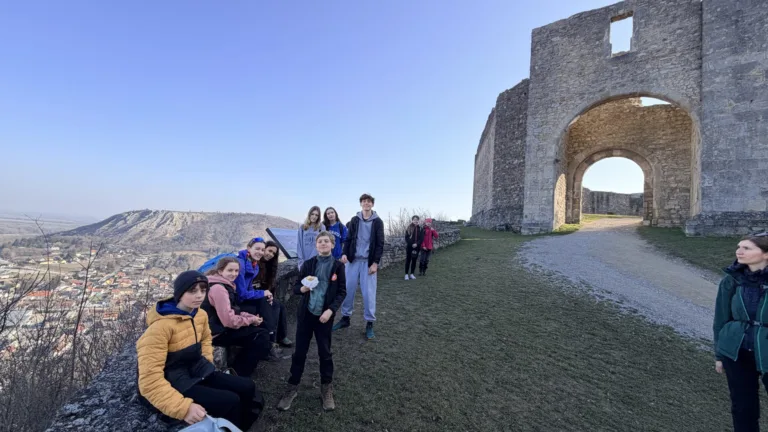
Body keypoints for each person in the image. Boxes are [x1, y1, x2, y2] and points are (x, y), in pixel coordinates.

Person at [136, 270, 262, 430]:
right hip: (173, 380)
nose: (199, 295)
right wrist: (183, 408)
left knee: (247, 386)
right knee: (230, 401)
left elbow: (205, 339)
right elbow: (149, 382)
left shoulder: (199, 314)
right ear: (180, 293)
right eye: (192, 290)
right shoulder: (159, 329)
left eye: (203, 290)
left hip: (196, 369)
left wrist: (207, 361)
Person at [277, 232, 346, 412]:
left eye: (326, 241)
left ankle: (326, 388)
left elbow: (342, 292)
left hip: (325, 317)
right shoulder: (308, 264)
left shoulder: (338, 266)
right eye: (320, 241)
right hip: (306, 315)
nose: (323, 244)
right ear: (316, 245)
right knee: (299, 352)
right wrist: (303, 288)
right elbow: (296, 289)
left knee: (325, 352)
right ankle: (292, 387)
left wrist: (330, 311)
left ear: (332, 245)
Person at [714, 233, 768, 432]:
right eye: (739, 246)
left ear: (765, 254)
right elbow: (721, 318)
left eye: (747, 248)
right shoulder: (732, 280)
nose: (739, 251)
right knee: (743, 408)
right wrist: (719, 355)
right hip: (737, 351)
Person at [201, 257, 271, 377]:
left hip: (218, 326)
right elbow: (229, 321)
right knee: (260, 336)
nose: (234, 274)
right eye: (230, 270)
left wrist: (251, 317)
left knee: (261, 329)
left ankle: (256, 357)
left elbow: (232, 311)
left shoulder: (221, 284)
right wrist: (251, 320)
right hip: (215, 333)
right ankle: (237, 374)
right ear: (220, 271)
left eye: (236, 271)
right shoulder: (219, 289)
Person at [333, 193, 384, 340]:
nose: (366, 204)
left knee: (368, 294)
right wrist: (344, 253)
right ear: (361, 204)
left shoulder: (378, 222)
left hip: (368, 262)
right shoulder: (354, 220)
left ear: (372, 204)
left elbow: (380, 243)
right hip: (353, 261)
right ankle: (345, 318)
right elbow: (348, 239)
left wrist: (375, 263)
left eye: (369, 202)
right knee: (347, 290)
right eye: (364, 201)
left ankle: (369, 323)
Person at [233, 237, 285, 359]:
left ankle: (269, 344)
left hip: (241, 300)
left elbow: (249, 288)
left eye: (262, 249)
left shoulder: (253, 264)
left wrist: (265, 294)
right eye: (257, 249)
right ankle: (270, 343)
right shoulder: (240, 264)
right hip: (234, 303)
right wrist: (263, 293)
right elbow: (241, 294)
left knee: (268, 303)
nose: (260, 252)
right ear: (249, 248)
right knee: (265, 304)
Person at [255, 240, 292, 348]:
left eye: (273, 253)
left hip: (263, 294)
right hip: (255, 295)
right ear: (263, 249)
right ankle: (271, 340)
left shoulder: (270, 266)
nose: (270, 255)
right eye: (269, 251)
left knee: (280, 306)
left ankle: (281, 337)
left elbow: (270, 285)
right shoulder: (255, 263)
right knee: (275, 307)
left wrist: (270, 295)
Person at [404, 215, 424, 280]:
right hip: (410, 247)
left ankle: (412, 274)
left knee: (414, 261)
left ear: (418, 220)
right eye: (414, 219)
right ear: (412, 220)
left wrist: (417, 244)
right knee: (408, 260)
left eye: (417, 219)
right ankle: (406, 274)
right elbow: (406, 238)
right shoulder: (409, 228)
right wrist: (412, 244)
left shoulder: (420, 228)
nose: (415, 221)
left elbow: (421, 238)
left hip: (417, 247)